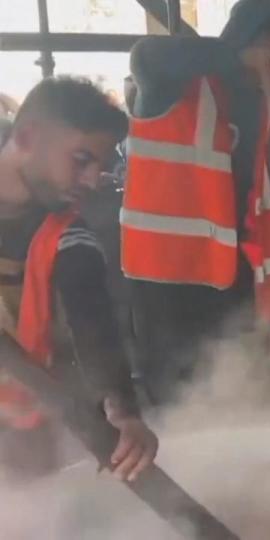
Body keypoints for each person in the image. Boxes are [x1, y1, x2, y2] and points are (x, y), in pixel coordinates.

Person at [123, 0, 270, 405]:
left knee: (249, 395)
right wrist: (241, 59)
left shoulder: (264, 106)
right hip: (166, 286)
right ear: (244, 44)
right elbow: (145, 57)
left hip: (234, 279)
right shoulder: (172, 85)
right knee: (179, 405)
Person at [0, 77, 157, 482]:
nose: (91, 180)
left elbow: (93, 321)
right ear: (28, 137)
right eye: (81, 159)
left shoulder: (68, 236)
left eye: (100, 167)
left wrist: (121, 410)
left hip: (23, 429)